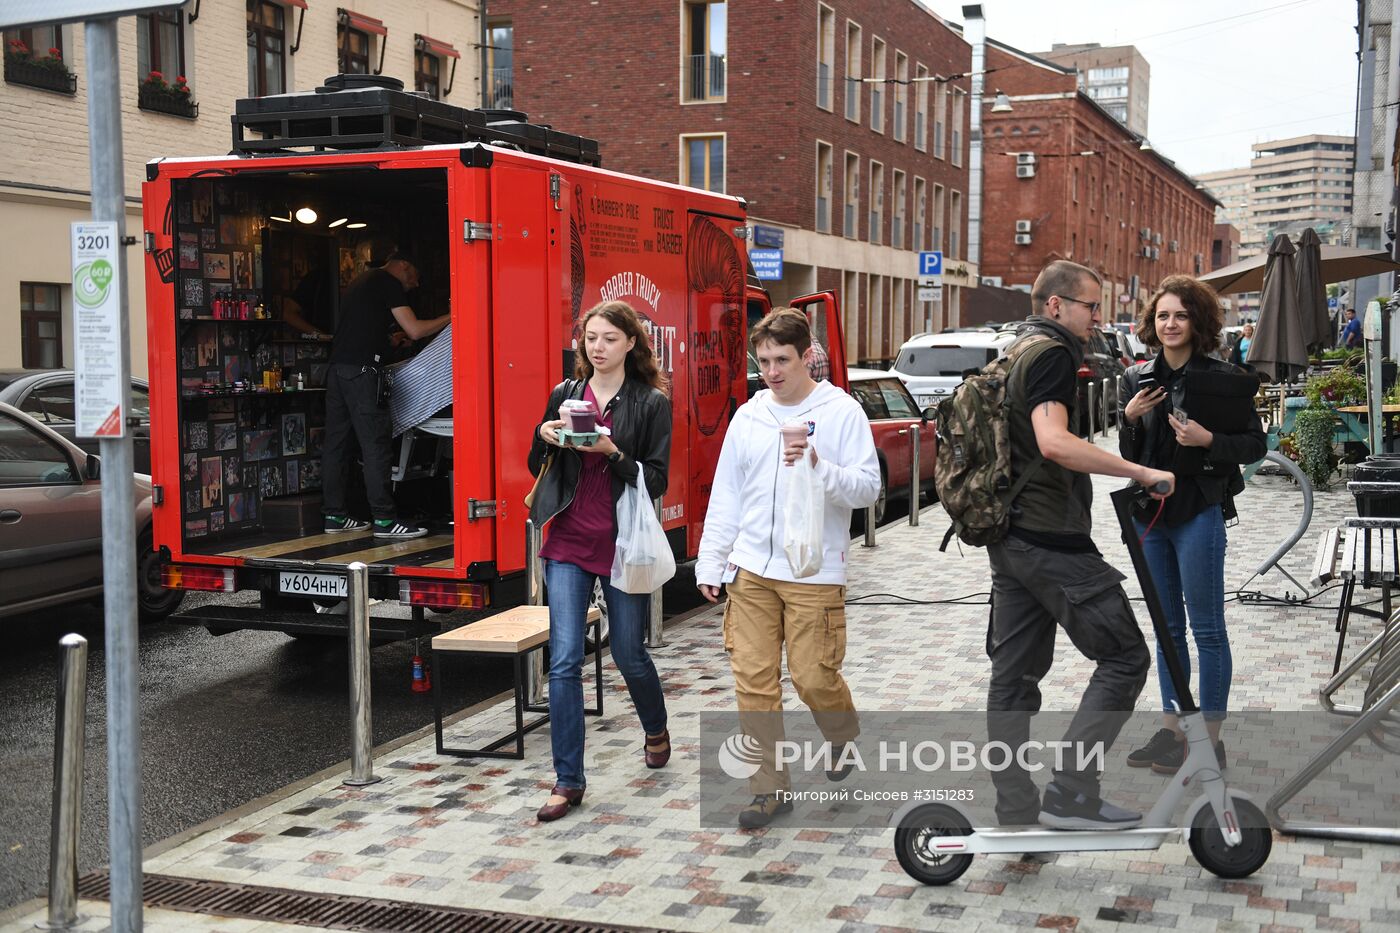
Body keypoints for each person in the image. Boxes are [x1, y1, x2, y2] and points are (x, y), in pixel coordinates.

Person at [986, 259, 1175, 831]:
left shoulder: (1014, 348)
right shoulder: (1052, 354)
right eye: (1090, 305)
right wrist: (1139, 471)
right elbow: (1055, 442)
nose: (1098, 317)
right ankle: (1071, 791)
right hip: (1051, 541)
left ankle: (1016, 809)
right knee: (1125, 657)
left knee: (1013, 679)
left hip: (1008, 538)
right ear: (1055, 305)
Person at [696, 307, 880, 828]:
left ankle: (841, 734)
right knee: (753, 681)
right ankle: (768, 790)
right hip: (751, 567)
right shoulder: (749, 416)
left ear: (807, 357)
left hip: (814, 570)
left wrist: (819, 465)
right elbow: (728, 494)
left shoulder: (841, 412)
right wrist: (712, 561)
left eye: (782, 359)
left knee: (812, 677)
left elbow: (868, 488)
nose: (772, 371)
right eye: (764, 361)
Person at [527, 300, 673, 823]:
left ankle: (655, 730)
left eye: (610, 338)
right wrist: (545, 436)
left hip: (622, 543)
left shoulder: (651, 403)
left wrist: (610, 451)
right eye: (591, 337)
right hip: (567, 538)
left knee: (629, 654)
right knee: (564, 660)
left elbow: (655, 479)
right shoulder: (565, 395)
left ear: (631, 343)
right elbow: (534, 464)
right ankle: (568, 781)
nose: (598, 347)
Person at [1119, 277, 1266, 774]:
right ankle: (1171, 732)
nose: (1171, 324)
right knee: (1167, 630)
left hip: (1198, 512)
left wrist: (1207, 440)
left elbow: (1253, 447)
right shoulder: (1137, 377)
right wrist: (1131, 420)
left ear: (1197, 321)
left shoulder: (1224, 377)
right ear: (1151, 323)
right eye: (1163, 316)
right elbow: (1129, 456)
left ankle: (1212, 742)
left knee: (1207, 629)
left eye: (1180, 315)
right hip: (1149, 515)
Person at [321, 251, 449, 538]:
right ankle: (384, 521)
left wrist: (390, 341)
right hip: (363, 373)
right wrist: (454, 315)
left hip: (338, 371)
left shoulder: (360, 282)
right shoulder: (388, 282)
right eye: (414, 280)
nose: (413, 286)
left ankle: (334, 516)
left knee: (336, 444)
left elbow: (367, 331)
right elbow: (415, 330)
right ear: (404, 266)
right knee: (376, 443)